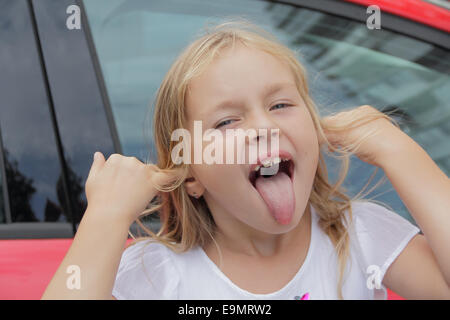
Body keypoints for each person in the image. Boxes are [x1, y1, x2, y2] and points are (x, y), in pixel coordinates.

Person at [41, 19, 450, 300]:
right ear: (191, 175)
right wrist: (106, 216)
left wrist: (399, 152)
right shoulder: (158, 274)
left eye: (281, 104)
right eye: (226, 121)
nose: (262, 127)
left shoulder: (357, 236)